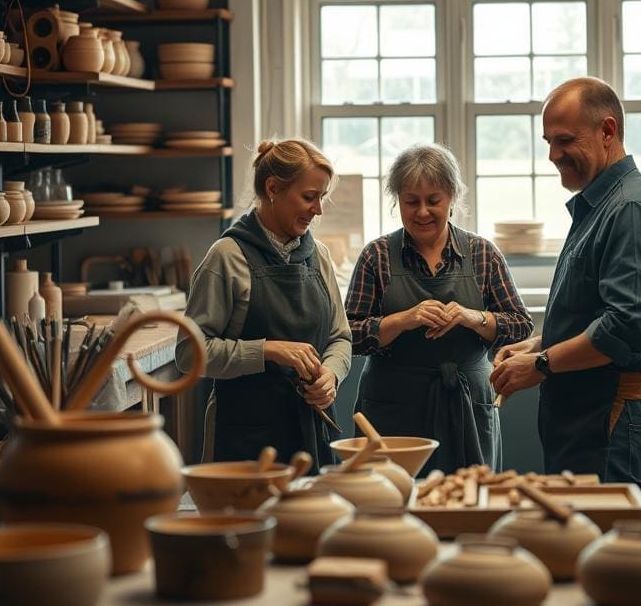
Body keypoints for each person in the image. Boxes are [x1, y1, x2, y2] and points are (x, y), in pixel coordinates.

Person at [490, 77, 641, 489]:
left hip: (605, 419)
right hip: (583, 419)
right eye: (548, 142)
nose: (553, 155)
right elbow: (594, 313)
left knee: (605, 544)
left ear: (608, 131)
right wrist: (539, 344)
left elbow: (626, 327)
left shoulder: (632, 210)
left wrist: (541, 365)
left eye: (564, 141)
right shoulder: (601, 205)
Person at [345, 143, 533, 474]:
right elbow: (351, 336)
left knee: (470, 501)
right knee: (393, 504)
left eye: (434, 201)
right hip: (394, 405)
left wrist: (474, 318)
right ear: (396, 200)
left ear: (452, 197)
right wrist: (403, 320)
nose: (422, 212)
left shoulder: (482, 253)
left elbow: (520, 325)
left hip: (466, 403)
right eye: (410, 202)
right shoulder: (376, 256)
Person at [176, 139, 351, 471]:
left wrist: (331, 374)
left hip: (311, 433)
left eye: (322, 198)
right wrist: (267, 350)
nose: (319, 210)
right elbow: (189, 354)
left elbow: (340, 338)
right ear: (273, 188)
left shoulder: (320, 257)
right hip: (244, 437)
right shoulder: (227, 257)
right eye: (309, 197)